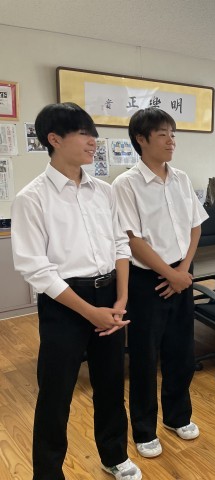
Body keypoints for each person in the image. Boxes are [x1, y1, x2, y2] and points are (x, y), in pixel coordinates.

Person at [11, 103, 141, 480]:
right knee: (56, 393)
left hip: (109, 295)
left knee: (111, 383)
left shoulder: (104, 191)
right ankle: (48, 473)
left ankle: (114, 456)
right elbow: (35, 268)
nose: (93, 141)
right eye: (84, 133)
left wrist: (121, 298)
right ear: (54, 139)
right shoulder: (32, 197)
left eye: (93, 134)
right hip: (65, 303)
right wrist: (89, 311)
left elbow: (120, 243)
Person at [112, 108, 207, 459]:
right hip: (146, 280)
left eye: (173, 134)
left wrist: (181, 271)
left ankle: (177, 416)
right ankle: (144, 430)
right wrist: (170, 274)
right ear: (141, 139)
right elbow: (132, 239)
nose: (171, 141)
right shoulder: (125, 184)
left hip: (181, 273)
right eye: (163, 134)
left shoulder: (181, 178)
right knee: (144, 357)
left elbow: (195, 226)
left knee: (182, 352)